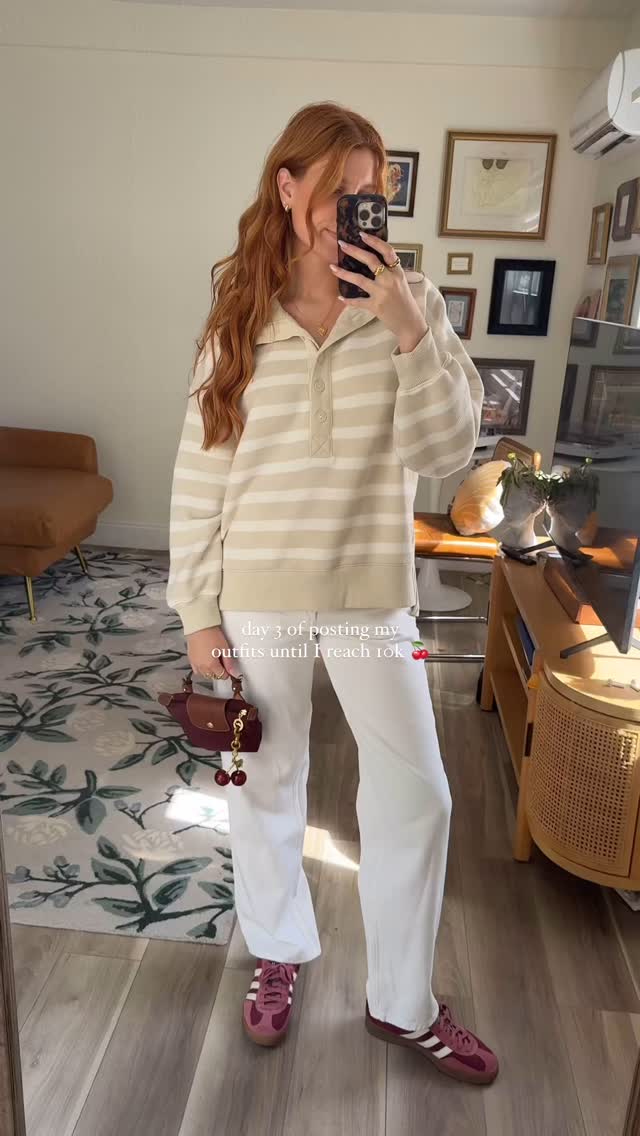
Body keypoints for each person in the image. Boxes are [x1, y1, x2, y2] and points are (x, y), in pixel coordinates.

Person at [166, 102, 498, 1085]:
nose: (352, 209)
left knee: (417, 791)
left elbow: (444, 452)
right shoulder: (237, 312)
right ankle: (277, 950)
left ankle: (403, 1002)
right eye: (335, 189)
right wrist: (197, 614)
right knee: (266, 783)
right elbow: (201, 472)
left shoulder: (412, 302)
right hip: (258, 592)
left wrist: (407, 330)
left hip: (370, 597)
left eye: (369, 193)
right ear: (287, 186)